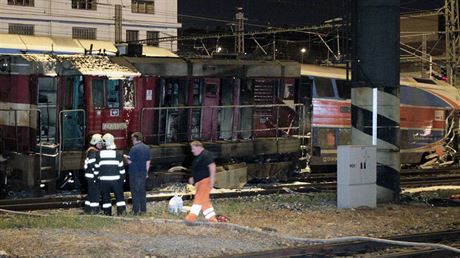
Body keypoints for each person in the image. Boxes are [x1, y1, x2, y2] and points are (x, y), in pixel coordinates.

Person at [184, 141, 218, 224]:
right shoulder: (199, 156)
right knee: (204, 202)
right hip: (200, 182)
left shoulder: (206, 155)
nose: (192, 150)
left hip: (205, 181)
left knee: (198, 199)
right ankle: (212, 219)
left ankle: (191, 218)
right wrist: (194, 178)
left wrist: (212, 180)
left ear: (198, 147)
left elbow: (212, 167)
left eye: (193, 148)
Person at [95, 133, 126, 216]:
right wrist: (123, 179)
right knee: (119, 197)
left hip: (104, 181)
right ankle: (121, 213)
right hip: (116, 180)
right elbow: (121, 169)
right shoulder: (118, 154)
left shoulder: (99, 154)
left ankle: (107, 213)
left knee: (105, 197)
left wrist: (96, 179)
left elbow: (97, 168)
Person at [124, 132, 151, 215]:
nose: (132, 141)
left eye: (132, 139)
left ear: (135, 139)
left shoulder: (134, 148)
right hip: (143, 172)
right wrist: (146, 172)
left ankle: (136, 211)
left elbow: (129, 161)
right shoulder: (147, 148)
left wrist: (125, 157)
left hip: (134, 173)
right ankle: (143, 210)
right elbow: (148, 162)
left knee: (135, 191)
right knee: (142, 191)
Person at [83, 133, 103, 214]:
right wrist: (96, 176)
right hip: (92, 176)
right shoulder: (93, 152)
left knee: (91, 192)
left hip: (90, 176)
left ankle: (87, 208)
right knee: (95, 193)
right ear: (95, 142)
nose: (101, 145)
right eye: (100, 143)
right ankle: (95, 209)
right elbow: (92, 165)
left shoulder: (92, 151)